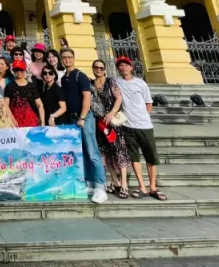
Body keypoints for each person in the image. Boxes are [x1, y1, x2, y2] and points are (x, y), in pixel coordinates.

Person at [115, 56, 167, 201]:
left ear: (131, 67)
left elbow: (149, 103)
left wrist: (143, 116)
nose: (123, 67)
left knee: (151, 157)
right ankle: (142, 186)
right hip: (127, 126)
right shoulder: (117, 83)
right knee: (134, 157)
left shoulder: (141, 83)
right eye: (121, 65)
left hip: (144, 125)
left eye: (126, 65)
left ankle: (153, 187)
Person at [60, 47, 107, 204]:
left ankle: (101, 187)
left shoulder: (81, 76)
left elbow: (86, 97)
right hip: (73, 119)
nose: (67, 60)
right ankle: (90, 183)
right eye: (64, 57)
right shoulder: (64, 78)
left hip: (84, 118)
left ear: (73, 58)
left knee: (92, 152)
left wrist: (82, 116)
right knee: (83, 152)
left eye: (69, 57)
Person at [90, 59, 130, 199]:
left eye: (101, 68)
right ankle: (114, 180)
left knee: (119, 151)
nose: (98, 70)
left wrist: (112, 112)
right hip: (100, 123)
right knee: (106, 153)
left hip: (112, 123)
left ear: (105, 69)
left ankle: (124, 184)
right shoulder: (91, 84)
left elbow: (118, 98)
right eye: (96, 68)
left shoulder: (110, 81)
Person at [5, 59, 44, 127]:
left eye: (21, 70)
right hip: (16, 122)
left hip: (32, 121)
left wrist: (42, 122)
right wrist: (12, 119)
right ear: (13, 71)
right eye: (16, 70)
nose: (19, 72)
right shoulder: (9, 86)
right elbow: (6, 105)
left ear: (25, 70)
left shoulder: (31, 86)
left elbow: (39, 104)